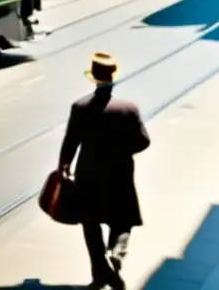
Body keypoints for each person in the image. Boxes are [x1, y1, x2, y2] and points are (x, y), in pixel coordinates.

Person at [58, 53, 151, 290]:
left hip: (88, 172)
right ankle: (117, 251)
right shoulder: (128, 109)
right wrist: (122, 150)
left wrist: (64, 165)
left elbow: (71, 140)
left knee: (90, 224)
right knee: (122, 219)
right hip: (119, 172)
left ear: (94, 77)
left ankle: (100, 273)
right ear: (113, 77)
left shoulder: (79, 107)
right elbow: (143, 142)